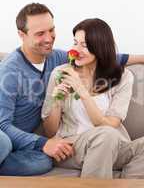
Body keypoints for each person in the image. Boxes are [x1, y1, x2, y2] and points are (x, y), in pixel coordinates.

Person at [0, 2, 140, 176]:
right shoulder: (11, 71)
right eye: (40, 33)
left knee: (43, 162)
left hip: (108, 143)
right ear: (22, 35)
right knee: (4, 144)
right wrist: (44, 141)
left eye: (51, 30)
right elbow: (3, 124)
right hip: (12, 136)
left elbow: (101, 55)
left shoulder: (55, 56)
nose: (49, 38)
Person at [42, 18, 144, 179]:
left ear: (101, 47)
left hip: (115, 146)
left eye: (84, 45)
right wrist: (56, 101)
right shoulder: (61, 73)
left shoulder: (123, 77)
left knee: (109, 136)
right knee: (105, 136)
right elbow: (50, 131)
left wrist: (81, 90)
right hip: (73, 147)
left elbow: (110, 124)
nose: (77, 49)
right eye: (75, 43)